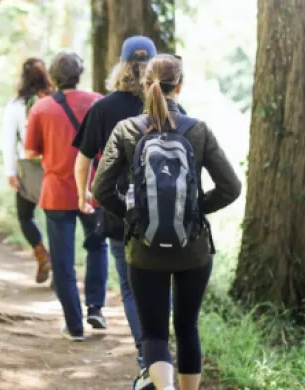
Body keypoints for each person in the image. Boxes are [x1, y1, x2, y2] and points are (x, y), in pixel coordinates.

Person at [92, 54, 241, 390]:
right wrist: (195, 210)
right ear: (180, 86)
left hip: (144, 251)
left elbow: (101, 188)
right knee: (187, 328)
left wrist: (134, 217)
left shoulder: (126, 130)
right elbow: (232, 186)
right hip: (193, 248)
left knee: (155, 332)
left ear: (145, 86)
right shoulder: (199, 130)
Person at [72, 36, 185, 387]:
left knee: (132, 287)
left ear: (120, 66)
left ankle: (147, 361)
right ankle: (160, 358)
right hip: (167, 213)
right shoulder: (173, 109)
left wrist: (83, 196)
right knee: (163, 284)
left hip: (120, 211)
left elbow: (82, 161)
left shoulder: (103, 109)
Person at [24, 52, 108, 342]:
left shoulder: (41, 108)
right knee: (97, 246)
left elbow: (30, 152)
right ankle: (96, 307)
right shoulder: (98, 101)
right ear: (80, 73)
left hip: (57, 193)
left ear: (53, 77)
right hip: (93, 189)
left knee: (62, 261)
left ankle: (74, 326)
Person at [2, 57, 55, 283]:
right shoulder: (56, 101)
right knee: (57, 220)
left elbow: (8, 141)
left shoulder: (16, 106)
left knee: (25, 216)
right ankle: (59, 270)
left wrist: (10, 172)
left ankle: (41, 253)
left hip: (28, 169)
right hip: (56, 168)